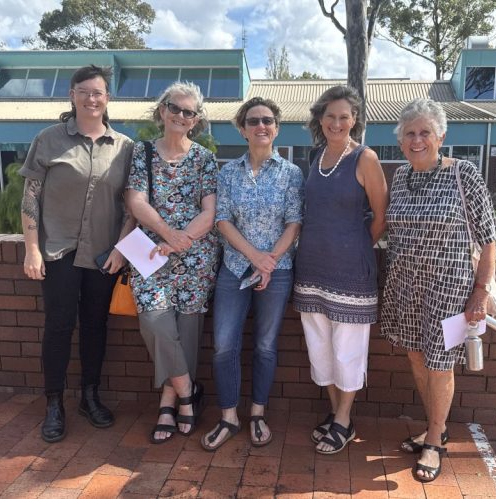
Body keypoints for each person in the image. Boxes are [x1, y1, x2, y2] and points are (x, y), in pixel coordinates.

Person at [380, 98, 496, 482]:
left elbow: (488, 238)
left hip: (449, 288)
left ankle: (434, 441)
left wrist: (481, 292)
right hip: (405, 285)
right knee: (417, 357)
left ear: (440, 136)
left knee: (440, 363)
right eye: (410, 134)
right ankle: (437, 426)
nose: (417, 140)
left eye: (425, 132)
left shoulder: (464, 174)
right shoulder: (400, 176)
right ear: (400, 141)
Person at [20, 65, 135, 443]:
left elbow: (131, 206)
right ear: (72, 95)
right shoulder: (48, 140)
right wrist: (32, 249)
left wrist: (122, 248)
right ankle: (54, 403)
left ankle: (90, 396)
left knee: (95, 326)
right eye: (83, 91)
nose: (90, 98)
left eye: (97, 92)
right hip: (58, 251)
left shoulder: (124, 147)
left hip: (104, 255)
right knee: (58, 326)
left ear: (107, 98)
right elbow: (30, 197)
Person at [200, 97, 304, 451]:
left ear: (277, 128)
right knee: (223, 345)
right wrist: (255, 257)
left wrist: (269, 261)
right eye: (254, 121)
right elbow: (222, 220)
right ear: (243, 130)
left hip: (278, 270)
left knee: (265, 345)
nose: (261, 126)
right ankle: (229, 416)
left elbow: (294, 222)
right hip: (234, 268)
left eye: (268, 120)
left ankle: (257, 413)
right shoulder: (228, 172)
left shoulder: (291, 173)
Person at [292, 85, 388, 455]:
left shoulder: (365, 158)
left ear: (355, 120)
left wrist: (356, 245)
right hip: (312, 269)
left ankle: (344, 420)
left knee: (348, 350)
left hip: (350, 274)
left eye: (344, 116)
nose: (336, 122)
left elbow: (381, 216)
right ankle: (336, 415)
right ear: (320, 119)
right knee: (320, 349)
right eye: (330, 116)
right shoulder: (316, 156)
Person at [124, 81, 220, 444]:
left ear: (196, 120)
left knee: (186, 332)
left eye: (188, 112)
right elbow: (135, 201)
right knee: (155, 321)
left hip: (196, 255)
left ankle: (168, 402)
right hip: (148, 252)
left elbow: (210, 211)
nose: (181, 115)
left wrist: (182, 240)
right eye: (175, 108)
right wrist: (167, 235)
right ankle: (187, 392)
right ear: (162, 111)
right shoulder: (143, 152)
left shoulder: (204, 159)